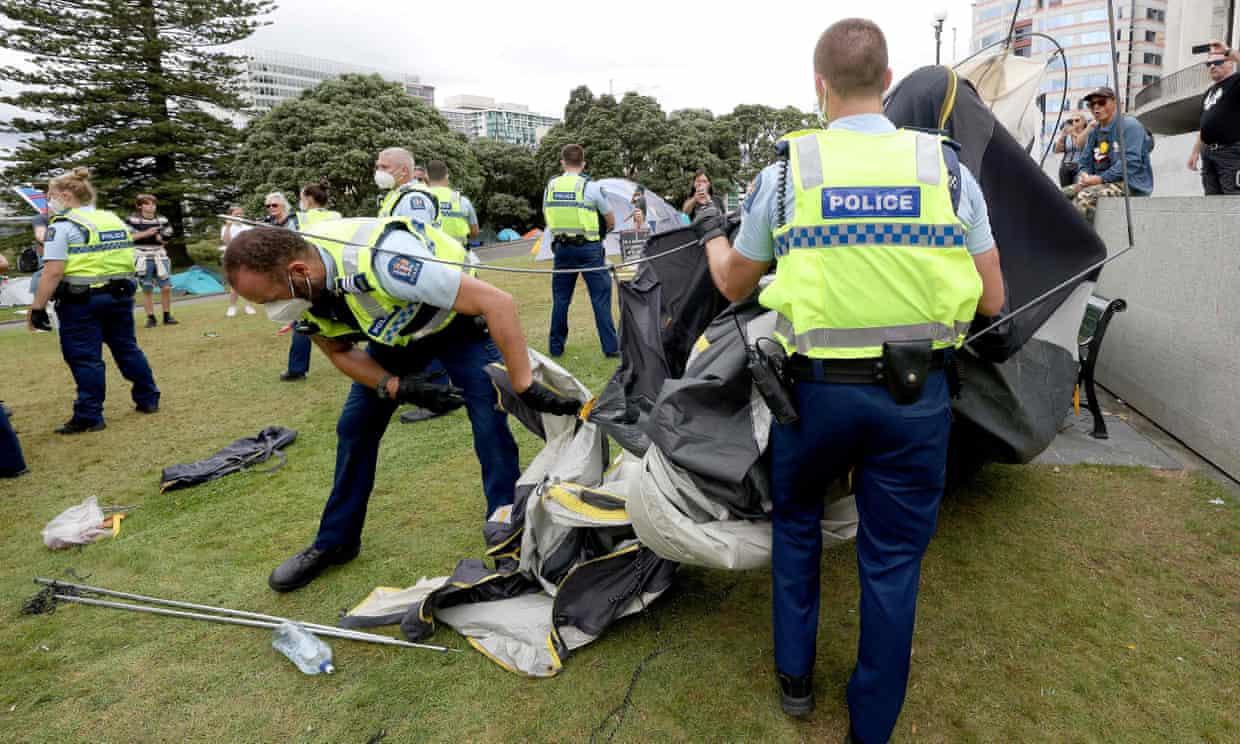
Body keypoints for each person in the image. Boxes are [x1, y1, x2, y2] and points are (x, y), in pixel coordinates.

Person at [691, 19, 1005, 741]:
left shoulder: (788, 172)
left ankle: (795, 683)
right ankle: (872, 724)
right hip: (915, 396)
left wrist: (712, 230)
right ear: (889, 84)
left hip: (814, 399)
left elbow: (733, 280)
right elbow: (993, 300)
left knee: (797, 525)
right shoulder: (947, 171)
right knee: (893, 561)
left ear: (819, 87)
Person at [222, 216, 581, 592]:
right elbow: (337, 350)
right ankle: (336, 541)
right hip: (394, 338)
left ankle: (509, 537)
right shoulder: (305, 291)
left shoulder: (386, 260)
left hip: (456, 326)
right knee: (354, 428)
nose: (272, 310)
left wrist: (522, 382)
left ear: (298, 271)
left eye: (271, 299)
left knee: (488, 421)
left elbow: (498, 303)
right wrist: (395, 386)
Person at [27, 167, 161, 434]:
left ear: (65, 196)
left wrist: (37, 307)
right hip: (119, 296)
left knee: (85, 358)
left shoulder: (62, 227)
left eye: (50, 196)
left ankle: (89, 415)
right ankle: (148, 399)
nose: (48, 203)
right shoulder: (111, 219)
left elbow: (53, 271)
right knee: (127, 349)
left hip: (81, 302)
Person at [542, 143, 620, 358]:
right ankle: (611, 349)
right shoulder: (591, 187)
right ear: (583, 163)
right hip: (589, 249)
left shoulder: (551, 187)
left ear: (562, 163)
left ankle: (556, 348)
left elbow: (547, 214)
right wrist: (603, 230)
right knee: (600, 298)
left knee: (561, 299)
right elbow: (610, 219)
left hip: (561, 249)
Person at [1061, 86, 1153, 222]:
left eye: (1102, 102)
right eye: (1092, 104)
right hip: (1100, 182)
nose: (1096, 107)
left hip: (1131, 184)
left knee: (1084, 197)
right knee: (1057, 196)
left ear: (1114, 102)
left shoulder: (1130, 125)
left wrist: (1100, 179)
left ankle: (1082, 242)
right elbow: (1084, 162)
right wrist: (1083, 177)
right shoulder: (1093, 132)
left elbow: (1130, 163)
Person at [260, 191, 311, 382]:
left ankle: (297, 369)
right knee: (304, 319)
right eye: (268, 206)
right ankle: (297, 368)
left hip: (301, 272)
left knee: (302, 318)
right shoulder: (265, 225)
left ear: (283, 206)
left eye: (275, 205)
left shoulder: (296, 221)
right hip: (282, 276)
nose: (271, 209)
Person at [1188, 41, 1240, 194]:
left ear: (1230, 63)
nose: (1212, 66)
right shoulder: (1209, 92)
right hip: (1208, 153)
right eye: (1208, 64)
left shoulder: (1236, 82)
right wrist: (1195, 152)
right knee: (1211, 203)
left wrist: (1228, 51)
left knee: (1233, 201)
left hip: (1231, 152)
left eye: (1217, 62)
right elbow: (1204, 126)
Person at [127, 194, 178, 327]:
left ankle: (167, 316)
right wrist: (146, 233)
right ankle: (151, 317)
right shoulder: (132, 220)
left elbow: (166, 239)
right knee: (147, 288)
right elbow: (128, 237)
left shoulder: (162, 219)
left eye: (153, 204)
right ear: (139, 206)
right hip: (141, 256)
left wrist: (160, 238)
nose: (151, 207)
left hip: (160, 255)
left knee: (166, 287)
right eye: (147, 204)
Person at [374, 148, 439, 226]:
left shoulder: (413, 198)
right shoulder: (396, 194)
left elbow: (416, 235)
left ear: (404, 171)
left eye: (384, 167)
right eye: (378, 167)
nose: (379, 171)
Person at [425, 160, 480, 248]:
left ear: (426, 177)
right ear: (447, 176)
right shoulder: (461, 200)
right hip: (459, 254)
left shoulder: (422, 197)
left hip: (432, 255)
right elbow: (475, 232)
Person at [220, 205, 256, 317]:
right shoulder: (226, 227)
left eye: (241, 214)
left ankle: (249, 306)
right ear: (230, 215)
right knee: (235, 284)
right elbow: (227, 241)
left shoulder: (247, 227)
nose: (239, 216)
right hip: (233, 257)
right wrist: (228, 226)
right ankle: (232, 307)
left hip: (247, 256)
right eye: (236, 214)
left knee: (249, 282)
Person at [1053, 113, 1088, 187]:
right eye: (1071, 121)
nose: (1074, 122)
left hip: (1080, 167)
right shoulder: (1067, 135)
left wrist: (1073, 134)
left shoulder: (1087, 134)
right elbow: (1057, 150)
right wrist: (1063, 135)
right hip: (1066, 166)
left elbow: (1081, 146)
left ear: (1084, 122)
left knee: (1076, 190)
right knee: (1066, 191)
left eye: (1077, 120)